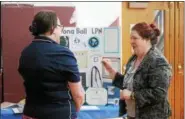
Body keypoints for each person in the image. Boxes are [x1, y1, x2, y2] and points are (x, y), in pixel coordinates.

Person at [18, 10, 85, 119]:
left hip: (30, 114)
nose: (61, 30)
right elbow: (78, 95)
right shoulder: (63, 54)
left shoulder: (25, 53)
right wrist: (73, 112)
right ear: (53, 29)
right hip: (60, 114)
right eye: (60, 26)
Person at [102, 22, 172, 119]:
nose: (131, 41)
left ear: (146, 39)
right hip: (131, 115)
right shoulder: (133, 59)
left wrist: (132, 95)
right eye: (131, 38)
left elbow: (159, 93)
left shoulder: (158, 61)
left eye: (135, 38)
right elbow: (129, 84)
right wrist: (110, 70)